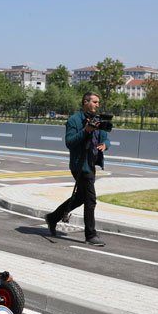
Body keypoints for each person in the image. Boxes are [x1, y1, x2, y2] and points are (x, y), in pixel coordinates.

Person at [44, 92, 110, 246]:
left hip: (91, 163)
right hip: (80, 165)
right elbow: (69, 142)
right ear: (85, 102)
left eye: (98, 102)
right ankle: (90, 235)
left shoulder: (98, 119)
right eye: (94, 102)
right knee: (90, 199)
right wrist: (85, 130)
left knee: (81, 197)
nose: (97, 105)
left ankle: (53, 217)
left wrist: (105, 144)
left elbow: (105, 137)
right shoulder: (74, 120)